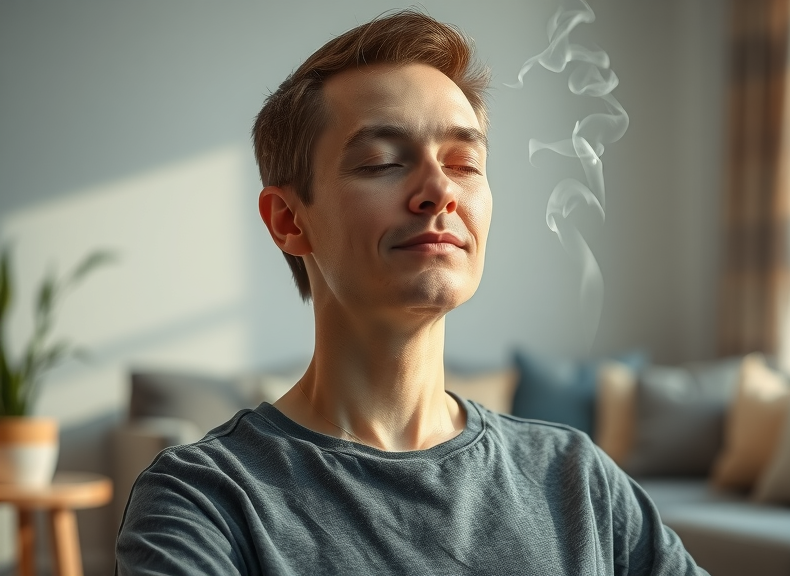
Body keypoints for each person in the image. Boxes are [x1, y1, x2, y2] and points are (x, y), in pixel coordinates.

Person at [115, 10, 708, 575]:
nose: (439, 190)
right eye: (381, 162)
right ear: (289, 222)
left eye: (464, 162)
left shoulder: (577, 479)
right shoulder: (201, 502)